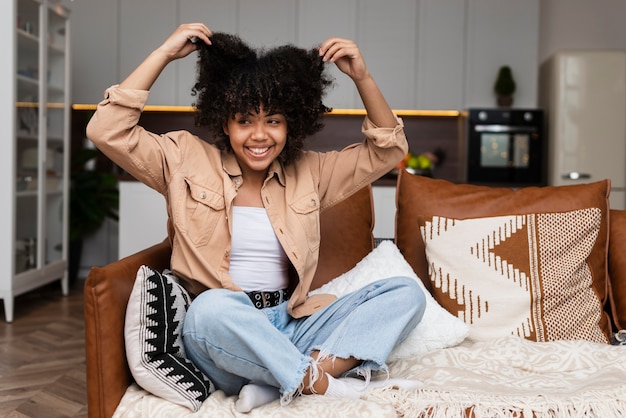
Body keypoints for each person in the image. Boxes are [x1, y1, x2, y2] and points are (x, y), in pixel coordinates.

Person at [86, 23, 426, 412]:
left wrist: (362, 77)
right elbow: (106, 128)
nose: (259, 135)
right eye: (245, 120)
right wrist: (163, 53)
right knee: (209, 309)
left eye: (274, 120)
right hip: (224, 335)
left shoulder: (310, 172)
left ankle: (284, 379)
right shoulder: (184, 159)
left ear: (291, 124)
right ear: (224, 122)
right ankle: (318, 381)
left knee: (406, 293)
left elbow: (388, 149)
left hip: (290, 323)